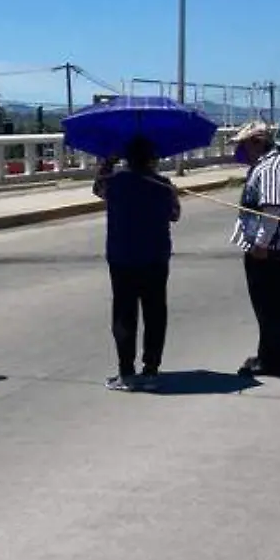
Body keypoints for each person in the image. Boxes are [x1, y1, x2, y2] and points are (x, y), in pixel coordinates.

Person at [94, 138, 180, 391]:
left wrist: (108, 162)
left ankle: (126, 372)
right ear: (152, 159)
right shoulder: (163, 185)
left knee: (124, 314)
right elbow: (175, 215)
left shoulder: (114, 183)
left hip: (122, 257)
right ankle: (151, 369)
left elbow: (97, 189)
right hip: (155, 257)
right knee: (155, 312)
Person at [230, 122, 280, 378]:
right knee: (269, 307)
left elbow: (271, 209)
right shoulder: (267, 166)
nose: (241, 149)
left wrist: (261, 244)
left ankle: (272, 360)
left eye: (244, 144)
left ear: (257, 142)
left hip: (273, 250)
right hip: (275, 248)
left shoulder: (270, 169)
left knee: (271, 306)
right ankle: (267, 354)